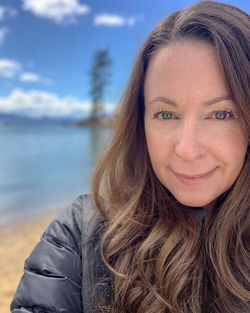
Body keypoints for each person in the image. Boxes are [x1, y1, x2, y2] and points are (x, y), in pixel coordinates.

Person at [11, 1, 249, 312]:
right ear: (141, 120)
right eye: (166, 114)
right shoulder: (80, 235)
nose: (187, 149)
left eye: (220, 114)